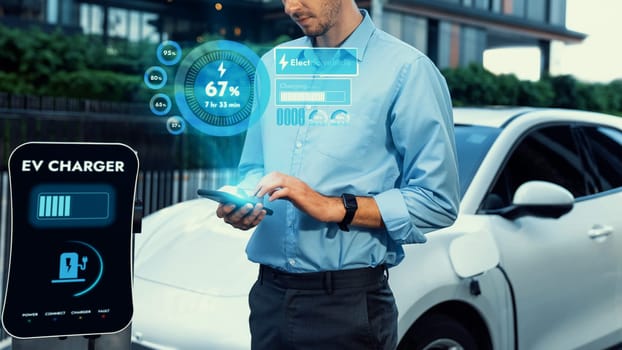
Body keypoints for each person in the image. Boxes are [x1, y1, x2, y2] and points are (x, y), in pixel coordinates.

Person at [216, 0, 460, 349]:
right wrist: (244, 202)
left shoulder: (408, 70)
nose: (290, 7)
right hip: (268, 300)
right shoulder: (272, 66)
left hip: (348, 308)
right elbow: (254, 168)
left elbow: (438, 201)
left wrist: (335, 207)